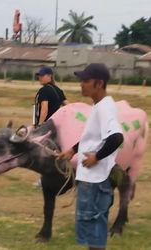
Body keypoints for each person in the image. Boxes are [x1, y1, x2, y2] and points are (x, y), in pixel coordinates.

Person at [58, 63, 124, 250]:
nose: (81, 84)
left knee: (93, 221)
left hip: (96, 178)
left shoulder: (105, 108)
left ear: (99, 83)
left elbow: (116, 137)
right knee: (90, 222)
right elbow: (93, 138)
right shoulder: (99, 106)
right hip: (91, 177)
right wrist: (72, 150)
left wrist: (97, 157)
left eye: (86, 80)